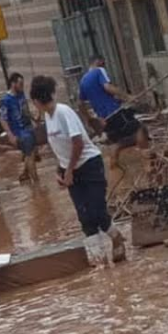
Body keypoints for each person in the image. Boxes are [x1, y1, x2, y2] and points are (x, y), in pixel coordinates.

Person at [30, 75, 125, 265]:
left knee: (97, 211)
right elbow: (59, 147)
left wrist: (69, 170)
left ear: (37, 101)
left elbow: (78, 143)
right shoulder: (48, 118)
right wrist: (61, 170)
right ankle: (101, 261)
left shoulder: (64, 112)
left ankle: (116, 238)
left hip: (89, 165)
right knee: (84, 216)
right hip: (70, 169)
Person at [78, 55, 148, 170]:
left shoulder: (83, 81)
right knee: (140, 130)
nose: (104, 66)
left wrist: (89, 121)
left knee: (118, 140)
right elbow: (108, 87)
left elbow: (80, 103)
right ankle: (147, 163)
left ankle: (114, 169)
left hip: (104, 120)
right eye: (104, 63)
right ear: (98, 62)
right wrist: (128, 97)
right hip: (115, 112)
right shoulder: (99, 71)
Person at [0, 73, 39, 183]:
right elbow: (3, 119)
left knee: (33, 152)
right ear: (13, 84)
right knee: (30, 154)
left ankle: (25, 174)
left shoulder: (21, 94)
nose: (22, 86)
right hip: (19, 132)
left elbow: (25, 110)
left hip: (28, 127)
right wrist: (10, 135)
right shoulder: (6, 100)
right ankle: (36, 182)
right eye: (20, 84)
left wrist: (34, 119)